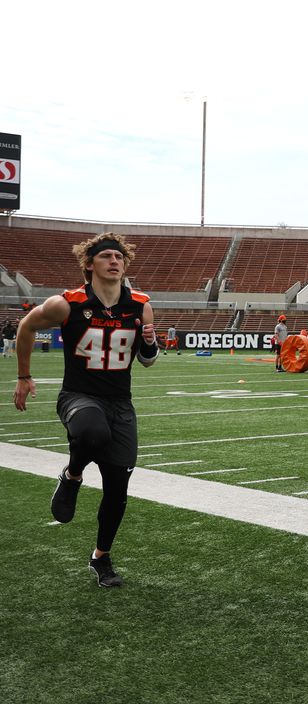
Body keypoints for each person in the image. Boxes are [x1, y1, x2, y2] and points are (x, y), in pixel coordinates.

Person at [12, 232, 160, 587]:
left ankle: (101, 558)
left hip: (120, 402)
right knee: (92, 433)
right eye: (106, 256)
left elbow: (147, 360)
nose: (114, 261)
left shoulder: (140, 304)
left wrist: (151, 343)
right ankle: (73, 474)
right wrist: (23, 376)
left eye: (119, 257)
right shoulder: (67, 303)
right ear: (89, 264)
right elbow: (26, 326)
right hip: (79, 396)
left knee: (117, 489)